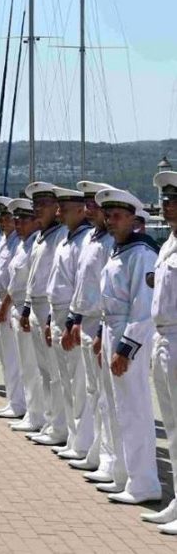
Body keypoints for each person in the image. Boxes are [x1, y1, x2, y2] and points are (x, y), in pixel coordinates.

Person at [93, 187, 161, 504]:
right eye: (108, 215)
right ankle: (122, 473)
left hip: (128, 334)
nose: (111, 221)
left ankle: (144, 482)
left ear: (134, 220)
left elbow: (143, 308)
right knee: (114, 405)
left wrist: (125, 349)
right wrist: (101, 335)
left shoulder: (142, 254)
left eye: (118, 216)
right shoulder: (119, 250)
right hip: (112, 328)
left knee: (134, 409)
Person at [67, 181, 116, 476]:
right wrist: (74, 319)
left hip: (102, 322)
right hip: (85, 320)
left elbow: (107, 291)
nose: (90, 210)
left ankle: (107, 459)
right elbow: (81, 284)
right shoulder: (90, 239)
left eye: (95, 205)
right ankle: (94, 451)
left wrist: (99, 332)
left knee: (104, 396)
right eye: (87, 204)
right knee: (91, 390)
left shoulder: (110, 242)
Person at [45, 186, 94, 461]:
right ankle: (73, 438)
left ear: (80, 210)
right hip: (58, 311)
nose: (60, 212)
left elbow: (81, 285)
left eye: (65, 208)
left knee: (78, 383)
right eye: (59, 207)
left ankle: (83, 443)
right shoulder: (67, 238)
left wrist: (73, 321)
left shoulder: (85, 239)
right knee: (65, 379)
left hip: (72, 314)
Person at [19, 182, 68, 447]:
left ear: (56, 208)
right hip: (36, 307)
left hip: (50, 308)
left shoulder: (60, 236)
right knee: (44, 371)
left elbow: (56, 280)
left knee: (56, 373)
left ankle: (59, 427)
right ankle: (49, 422)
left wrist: (49, 316)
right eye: (36, 204)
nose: (38, 209)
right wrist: (27, 306)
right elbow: (34, 276)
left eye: (44, 204)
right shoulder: (40, 237)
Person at [144, 170, 177, 532]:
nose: (167, 205)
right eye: (165, 200)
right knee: (172, 427)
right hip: (163, 338)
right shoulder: (168, 243)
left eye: (174, 200)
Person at [4, 199, 46, 434]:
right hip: (18, 309)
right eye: (16, 220)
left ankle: (37, 415)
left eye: (23, 220)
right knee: (25, 365)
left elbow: (32, 283)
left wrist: (25, 311)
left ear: (35, 222)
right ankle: (31, 412)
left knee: (33, 367)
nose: (17, 224)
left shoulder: (34, 246)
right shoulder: (23, 245)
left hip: (28, 310)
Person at [0, 197, 24, 417]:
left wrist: (4, 306)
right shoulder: (3, 240)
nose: (4, 221)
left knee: (14, 358)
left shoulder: (19, 242)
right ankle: (12, 400)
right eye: (1, 217)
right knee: (6, 357)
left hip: (10, 303)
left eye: (8, 217)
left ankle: (19, 404)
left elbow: (15, 281)